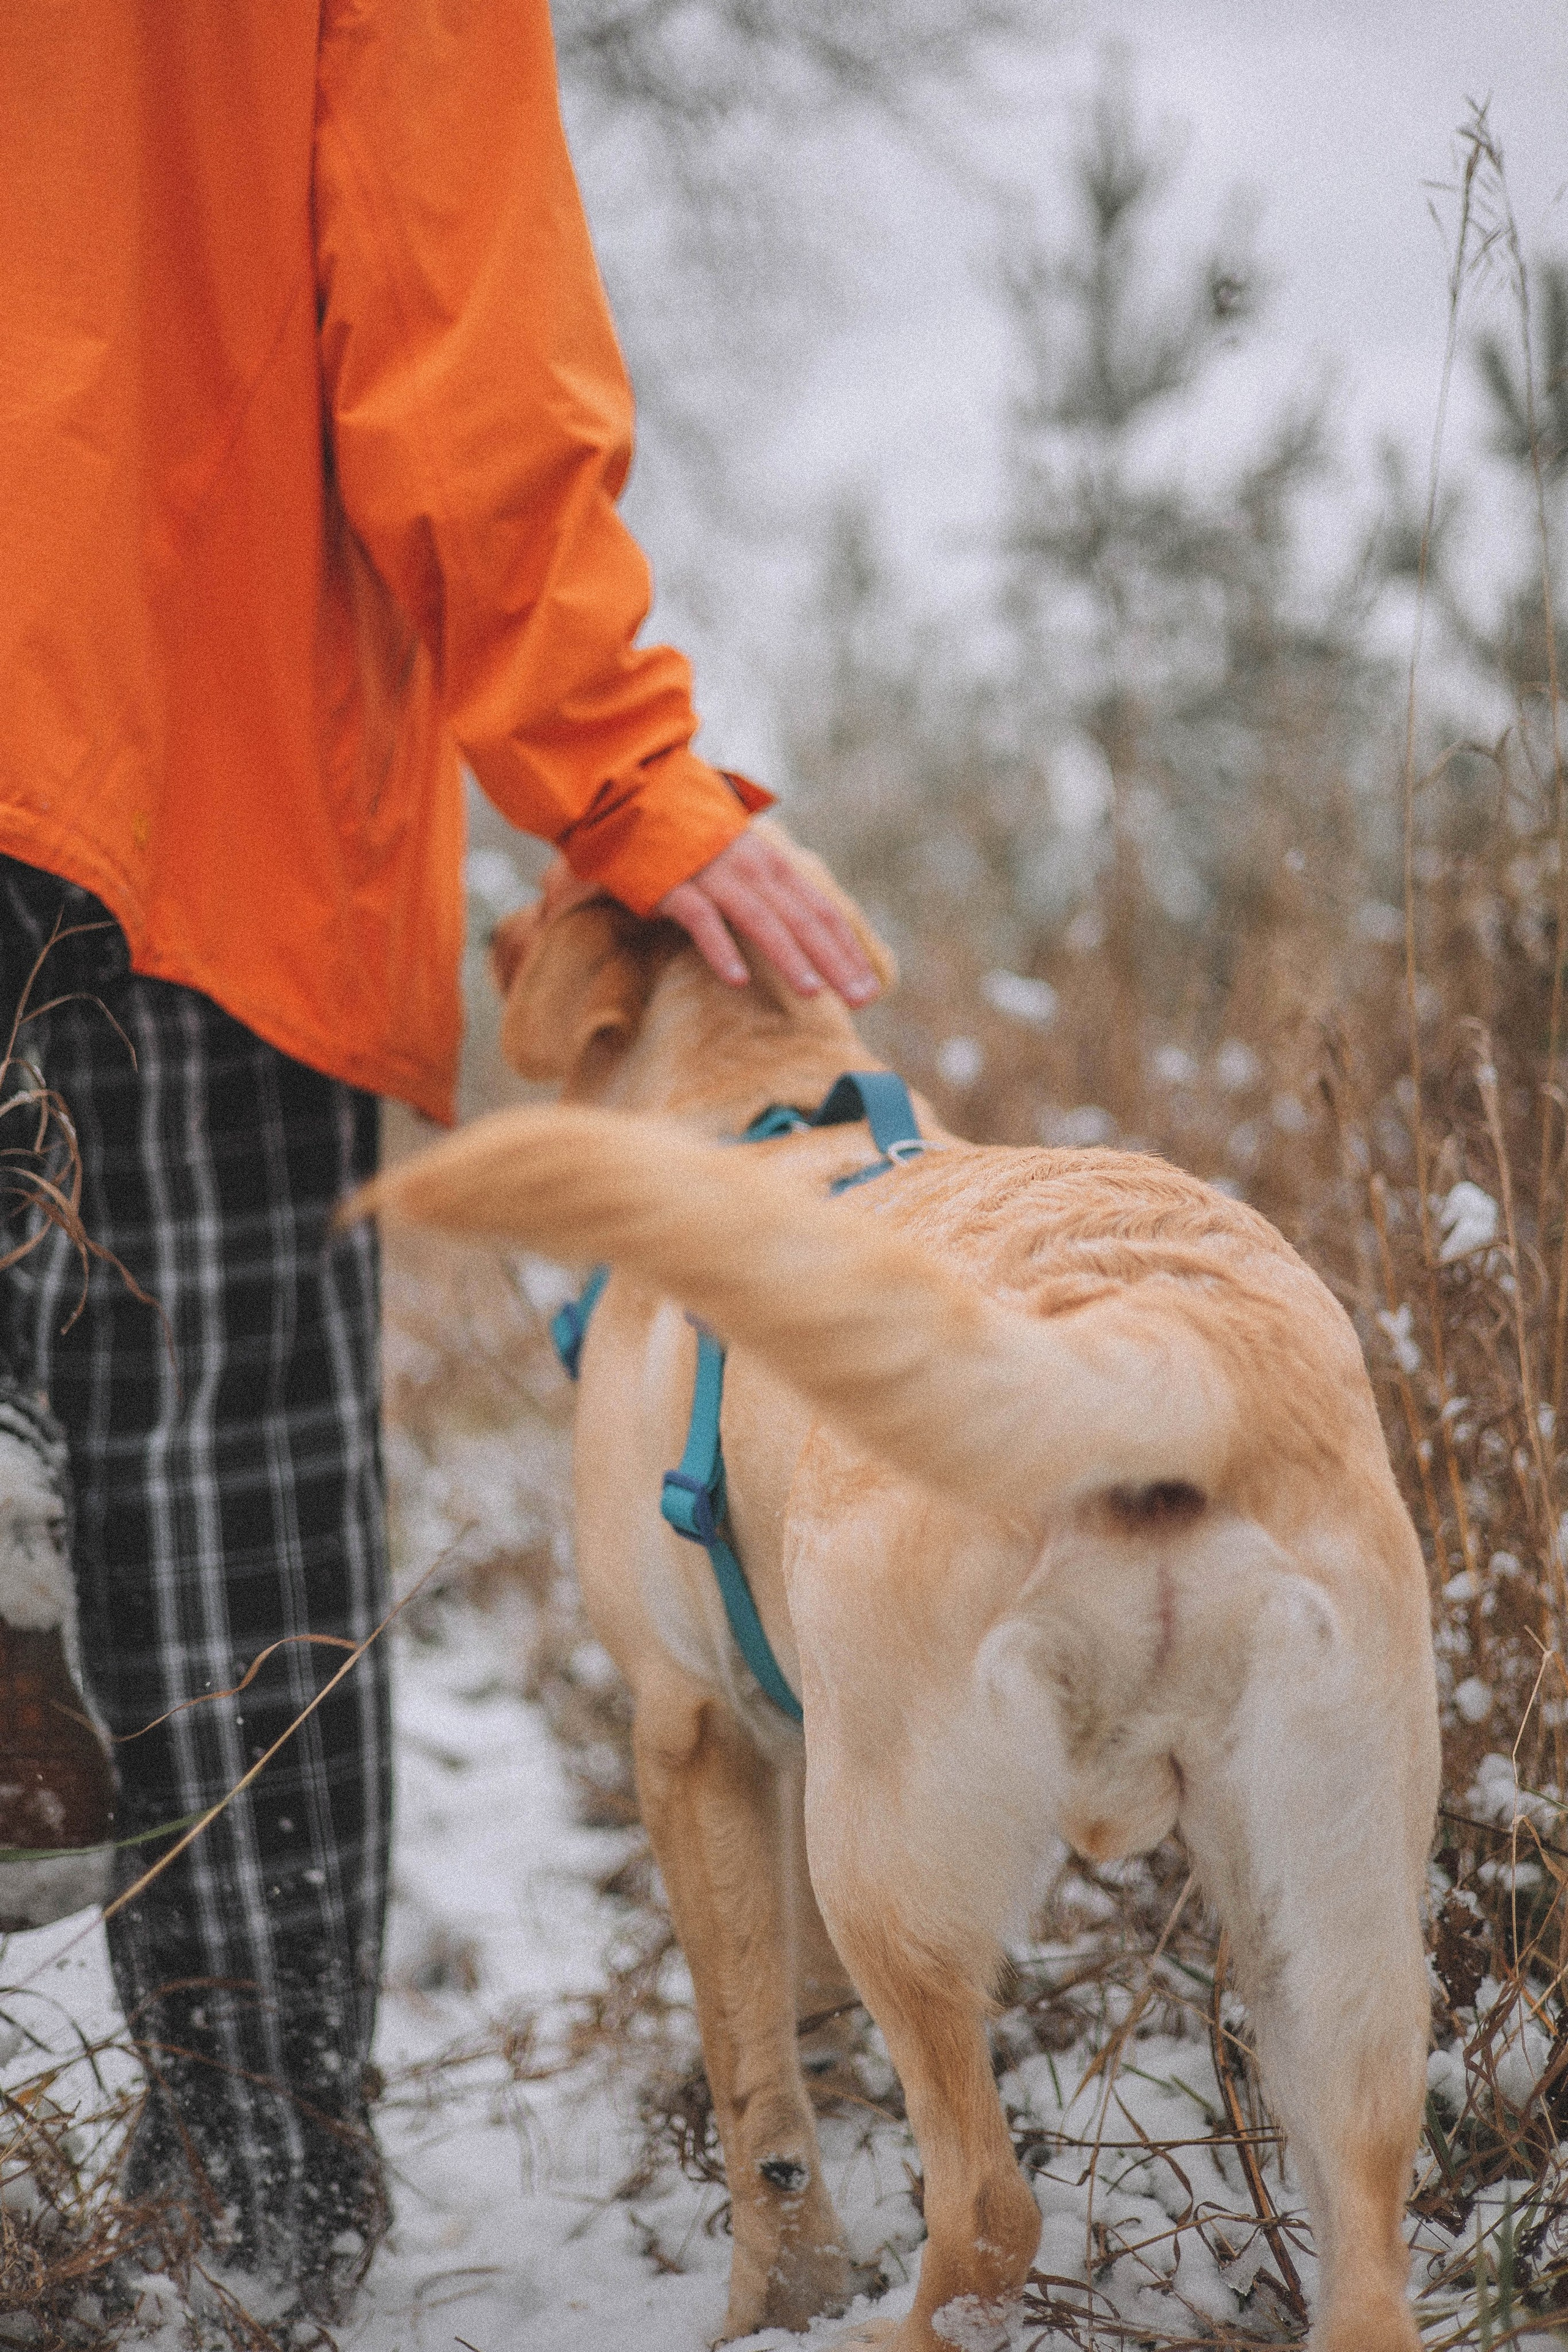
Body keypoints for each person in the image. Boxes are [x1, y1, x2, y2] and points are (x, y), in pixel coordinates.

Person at [0, 4, 878, 2329]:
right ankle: (244, 2203)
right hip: (154, 742)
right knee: (207, 1462)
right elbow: (445, 307)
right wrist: (623, 785)